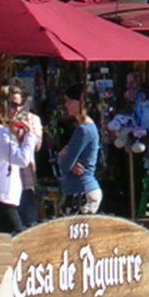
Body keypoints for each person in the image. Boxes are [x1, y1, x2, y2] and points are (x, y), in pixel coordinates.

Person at [0, 85, 42, 236]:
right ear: (3, 105)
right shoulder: (0, 132)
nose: (17, 110)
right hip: (2, 198)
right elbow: (21, 159)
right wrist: (30, 135)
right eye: (12, 105)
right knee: (19, 238)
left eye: (20, 105)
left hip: (12, 197)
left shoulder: (7, 131)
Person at [55, 86, 102, 215]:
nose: (66, 104)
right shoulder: (86, 128)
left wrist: (63, 157)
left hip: (82, 192)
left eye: (70, 101)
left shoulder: (83, 130)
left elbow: (65, 165)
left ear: (81, 102)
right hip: (81, 189)